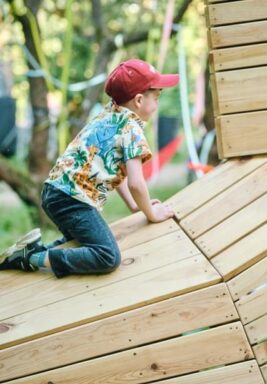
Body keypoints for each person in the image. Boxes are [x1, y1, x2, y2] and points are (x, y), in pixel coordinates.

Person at [0, 59, 177, 278]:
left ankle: (27, 253)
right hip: (73, 199)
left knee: (77, 243)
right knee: (107, 256)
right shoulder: (132, 131)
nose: (157, 104)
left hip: (55, 192)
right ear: (139, 100)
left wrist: (133, 205)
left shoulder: (109, 114)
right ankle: (31, 258)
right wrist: (151, 213)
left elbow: (114, 170)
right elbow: (136, 182)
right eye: (156, 97)